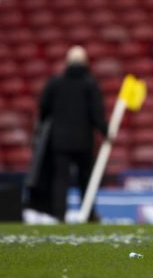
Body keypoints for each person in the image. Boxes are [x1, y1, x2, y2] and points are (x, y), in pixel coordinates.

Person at [34, 45, 110, 222]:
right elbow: (96, 113)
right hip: (84, 140)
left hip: (59, 141)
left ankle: (59, 213)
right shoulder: (90, 84)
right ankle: (89, 214)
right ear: (85, 62)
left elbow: (43, 109)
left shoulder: (55, 83)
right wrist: (106, 131)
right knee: (86, 179)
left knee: (61, 178)